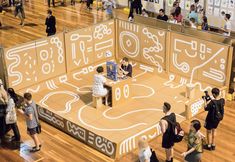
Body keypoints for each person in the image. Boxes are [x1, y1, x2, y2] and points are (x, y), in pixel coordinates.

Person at [0, 79, 8, 143]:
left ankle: (2, 136)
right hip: (2, 109)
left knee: (2, 123)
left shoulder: (2, 91)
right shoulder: (3, 91)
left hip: (2, 109)